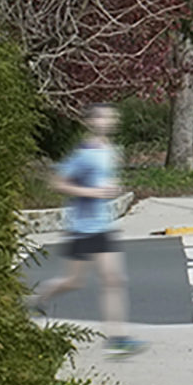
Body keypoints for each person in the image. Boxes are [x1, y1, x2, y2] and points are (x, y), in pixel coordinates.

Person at [33, 103, 145, 356]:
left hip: (104, 226)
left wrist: (111, 190)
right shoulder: (84, 153)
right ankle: (38, 298)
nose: (108, 121)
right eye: (102, 117)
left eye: (111, 117)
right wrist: (92, 192)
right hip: (82, 227)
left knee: (114, 280)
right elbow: (57, 183)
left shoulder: (110, 151)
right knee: (74, 281)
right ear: (90, 121)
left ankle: (117, 338)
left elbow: (105, 182)